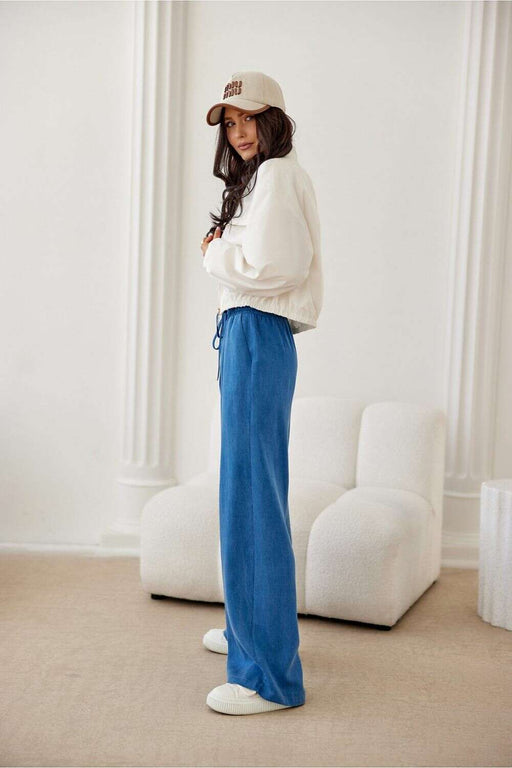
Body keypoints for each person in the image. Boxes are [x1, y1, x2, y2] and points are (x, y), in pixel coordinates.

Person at [200, 71, 323, 715]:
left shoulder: (276, 176)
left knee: (251, 497)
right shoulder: (261, 181)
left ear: (273, 118)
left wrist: (215, 252)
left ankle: (268, 676)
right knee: (245, 489)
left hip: (255, 331)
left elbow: (276, 267)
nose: (239, 132)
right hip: (248, 334)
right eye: (230, 123)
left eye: (249, 118)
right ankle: (249, 627)